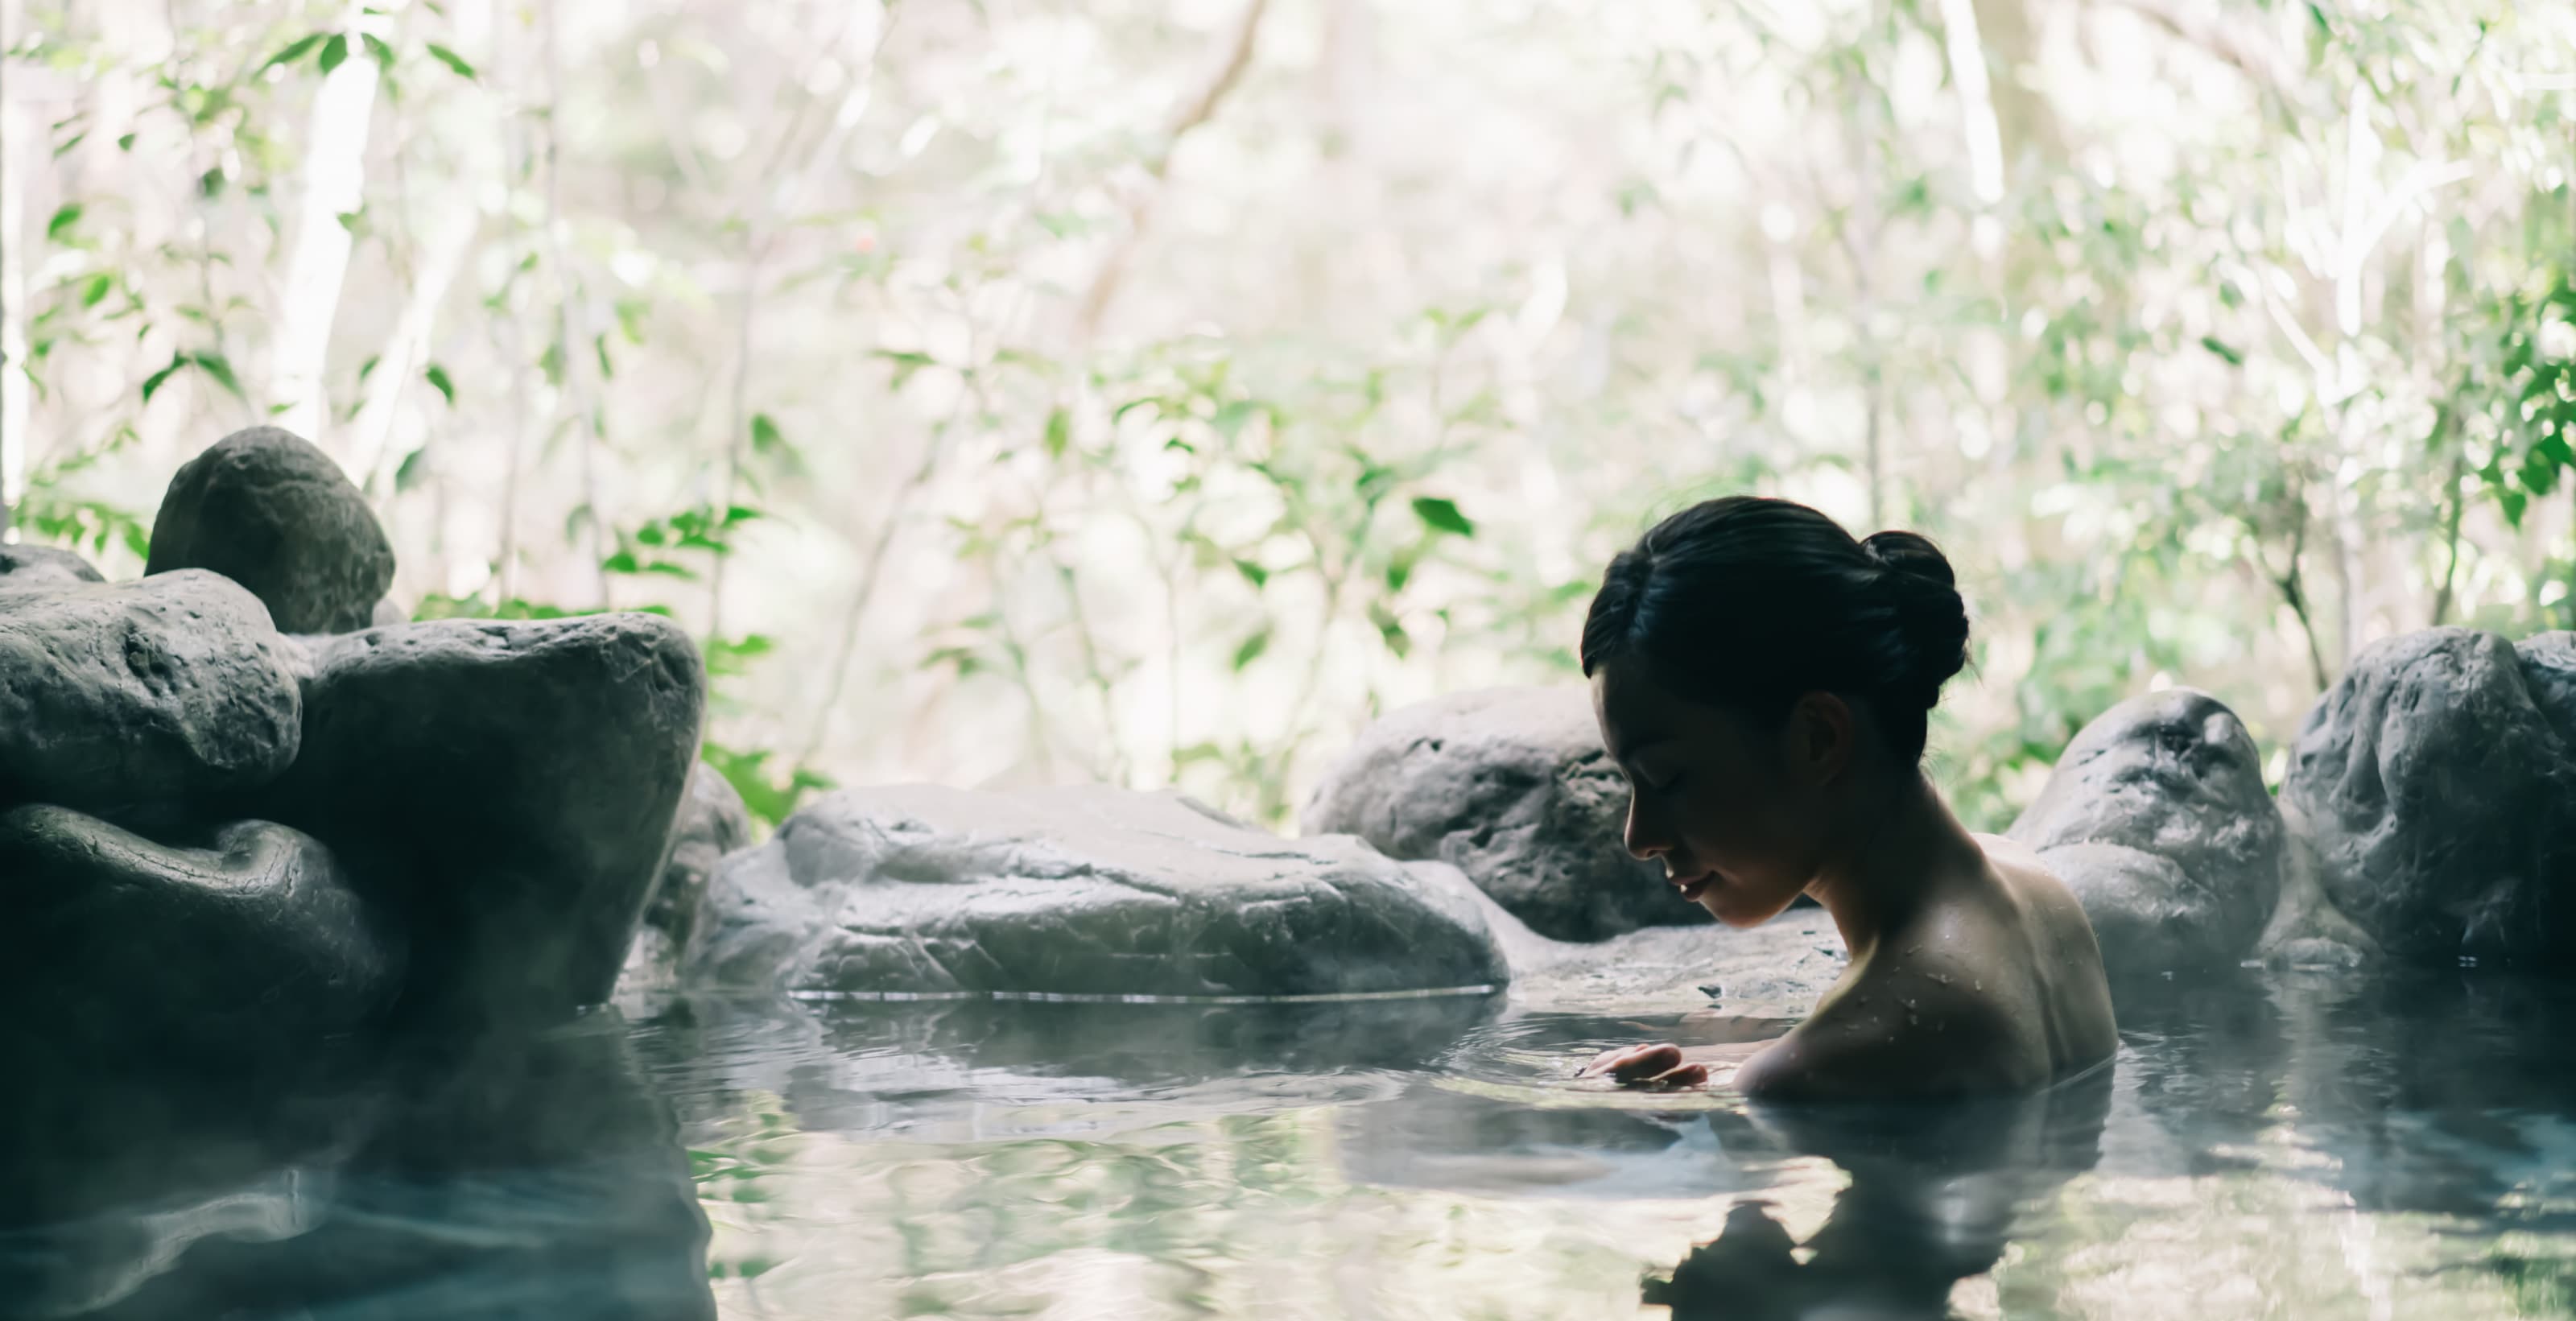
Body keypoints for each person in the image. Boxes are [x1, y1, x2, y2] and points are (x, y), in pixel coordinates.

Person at [1574, 496, 2116, 1100]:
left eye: (1668, 778)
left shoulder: (1851, 1052)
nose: (1638, 836)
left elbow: (1870, 1054)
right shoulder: (2037, 892)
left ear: (1817, 738)